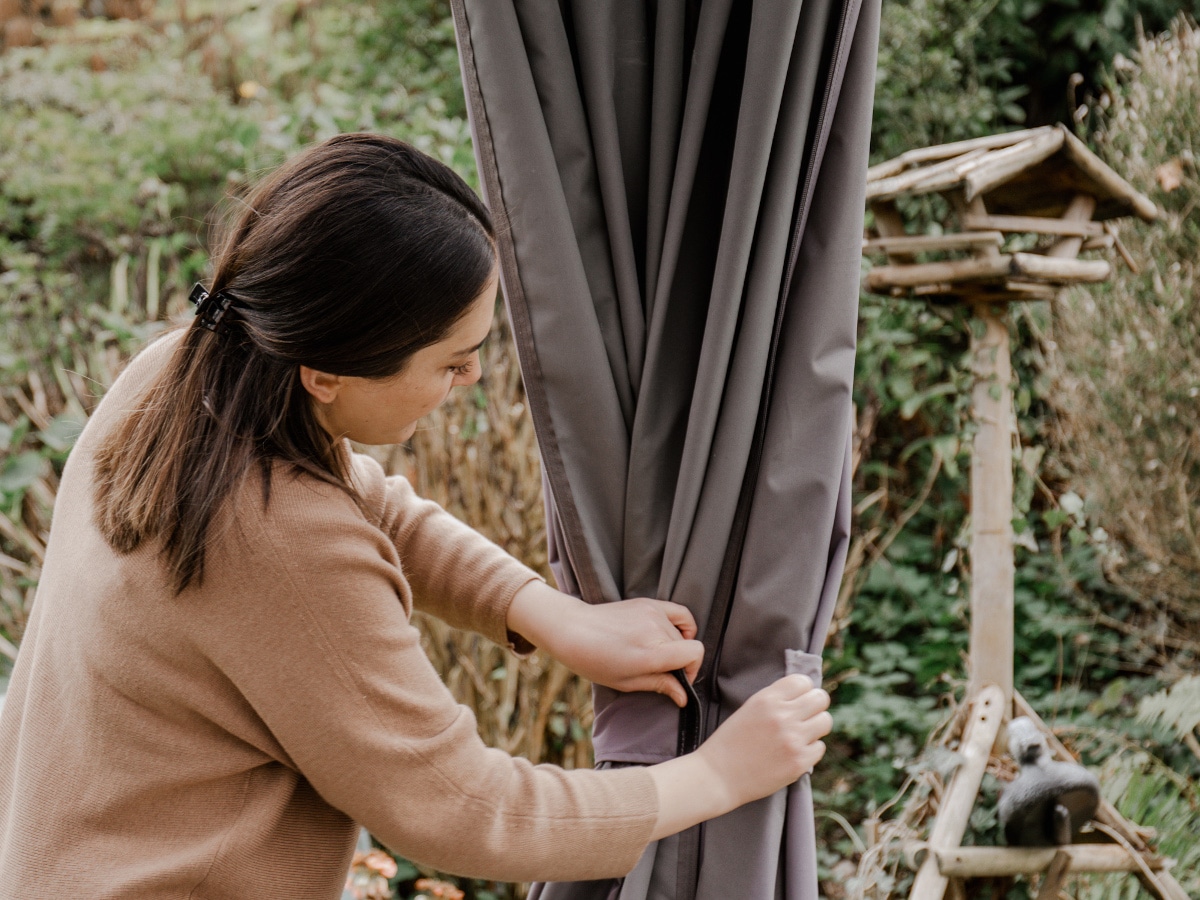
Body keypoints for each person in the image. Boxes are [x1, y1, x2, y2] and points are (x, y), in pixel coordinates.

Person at [0, 134, 832, 898]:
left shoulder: (181, 376)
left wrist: (547, 613)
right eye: (454, 361)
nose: (471, 380)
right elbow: (462, 808)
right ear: (326, 373)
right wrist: (718, 777)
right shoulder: (277, 537)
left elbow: (365, 501)